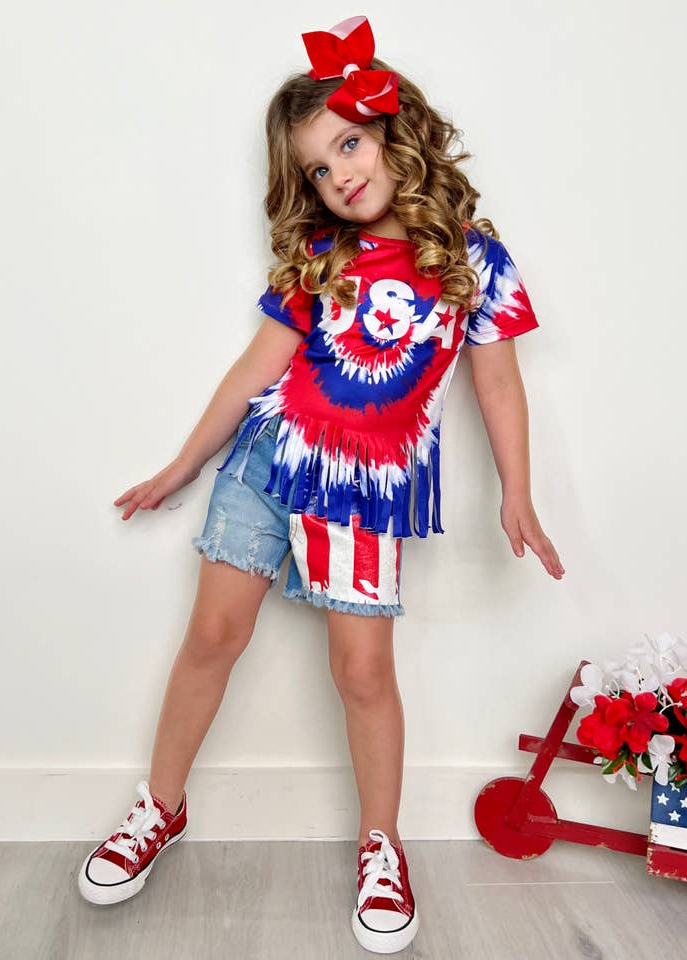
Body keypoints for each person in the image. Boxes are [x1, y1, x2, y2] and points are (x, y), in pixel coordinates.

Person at [77, 14, 565, 954]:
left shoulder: (473, 257)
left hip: (366, 489)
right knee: (211, 637)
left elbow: (498, 383)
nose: (339, 174)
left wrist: (518, 491)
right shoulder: (319, 259)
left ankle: (382, 845)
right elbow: (254, 370)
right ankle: (158, 807)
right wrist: (184, 464)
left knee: (363, 672)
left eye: (348, 144)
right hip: (268, 463)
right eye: (316, 167)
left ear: (391, 132)